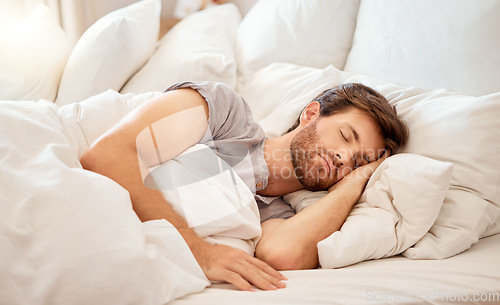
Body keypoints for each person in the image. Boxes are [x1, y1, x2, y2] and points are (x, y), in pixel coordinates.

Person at [80, 81, 408, 292]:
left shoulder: (279, 212)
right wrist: (200, 250)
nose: (343, 157)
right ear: (310, 114)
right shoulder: (227, 116)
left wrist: (353, 184)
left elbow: (282, 255)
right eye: (345, 136)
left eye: (360, 160)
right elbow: (107, 154)